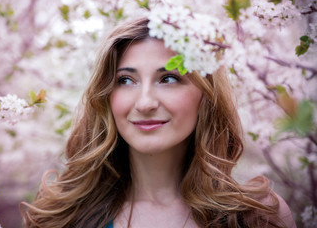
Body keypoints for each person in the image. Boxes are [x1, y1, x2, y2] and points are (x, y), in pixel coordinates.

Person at [21, 17, 296, 228]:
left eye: (168, 79)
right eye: (126, 80)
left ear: (206, 96)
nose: (145, 103)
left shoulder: (257, 217)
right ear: (106, 97)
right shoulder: (62, 217)